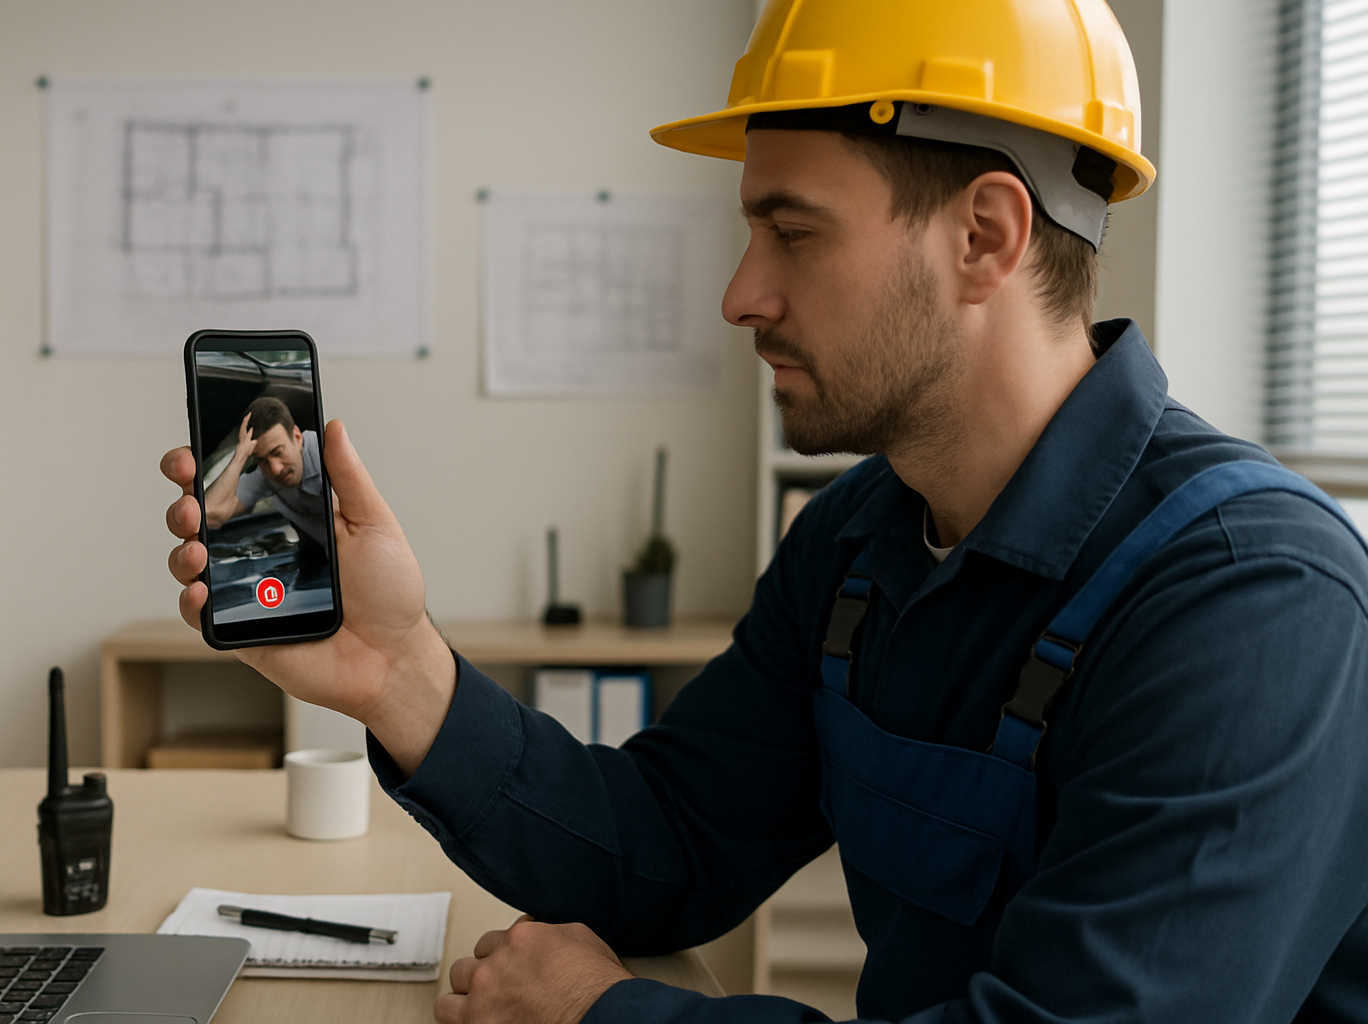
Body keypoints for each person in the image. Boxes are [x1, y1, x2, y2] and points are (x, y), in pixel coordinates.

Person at [161, 2, 1368, 1021]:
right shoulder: (856, 541)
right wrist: (395, 667)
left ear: (984, 238)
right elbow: (669, 845)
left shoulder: (1251, 602)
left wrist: (611, 1011)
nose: (741, 296)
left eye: (792, 232)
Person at [201, 396, 328, 547]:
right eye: (262, 460)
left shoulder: (326, 454)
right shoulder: (263, 476)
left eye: (278, 452)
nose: (275, 469)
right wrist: (240, 455)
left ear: (297, 437)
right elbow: (209, 514)